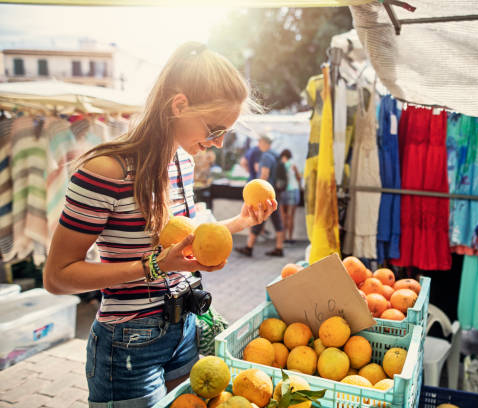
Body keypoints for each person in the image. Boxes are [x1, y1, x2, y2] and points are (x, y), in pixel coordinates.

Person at [42, 42, 277, 408]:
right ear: (179, 105)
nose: (217, 144)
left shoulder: (182, 162)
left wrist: (240, 222)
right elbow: (57, 277)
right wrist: (156, 266)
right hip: (128, 345)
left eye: (224, 133)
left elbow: (183, 240)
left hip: (184, 330)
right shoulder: (105, 170)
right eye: (215, 129)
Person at [236, 134, 285, 257]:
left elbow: (264, 175)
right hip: (273, 193)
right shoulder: (274, 155)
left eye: (259, 142)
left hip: (265, 194)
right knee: (275, 220)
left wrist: (255, 188)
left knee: (258, 219)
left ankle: (249, 247)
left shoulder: (265, 156)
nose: (258, 144)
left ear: (264, 142)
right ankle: (278, 247)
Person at [279, 149, 301, 244]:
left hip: (282, 191)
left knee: (283, 216)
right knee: (290, 216)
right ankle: (290, 237)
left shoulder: (280, 164)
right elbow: (299, 178)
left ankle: (282, 238)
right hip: (293, 190)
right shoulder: (293, 165)